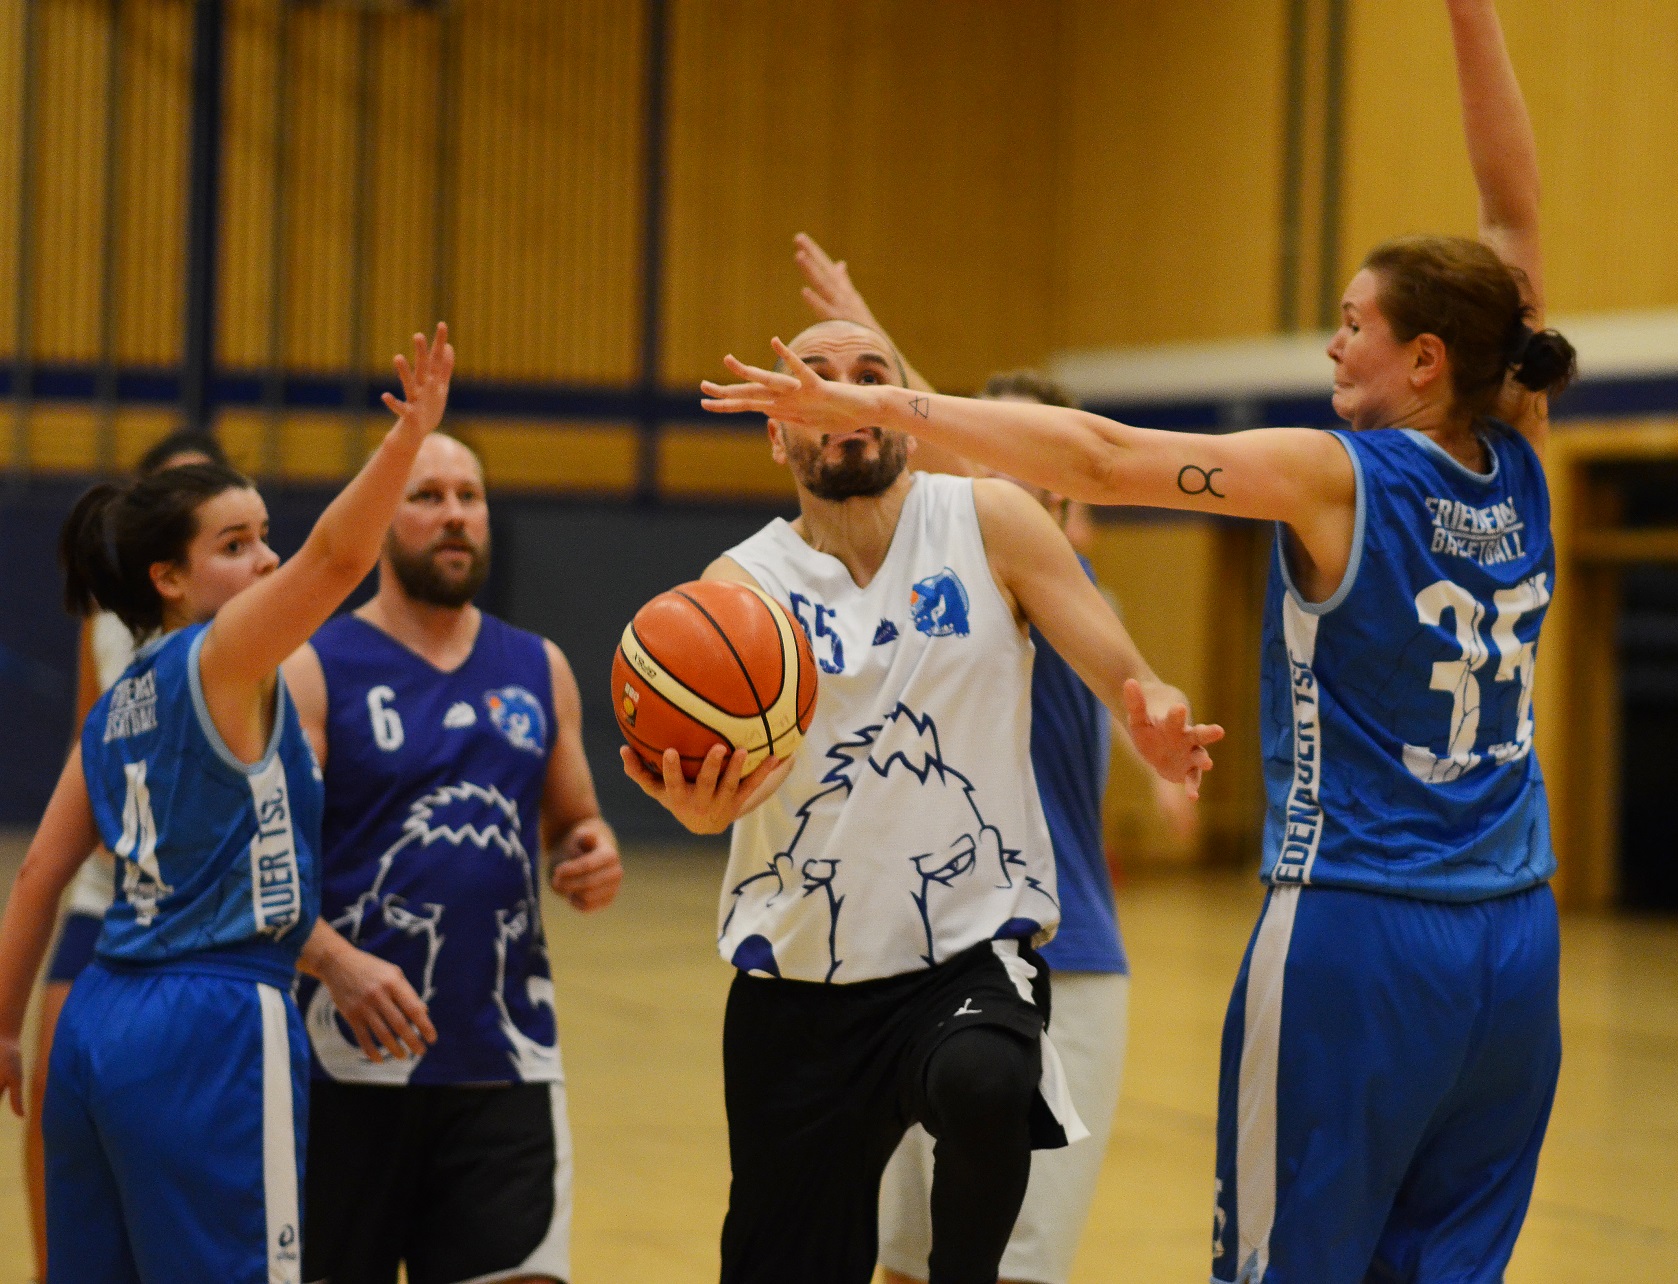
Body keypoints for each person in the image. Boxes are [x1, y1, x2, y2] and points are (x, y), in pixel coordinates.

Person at [697, 2, 1578, 1279]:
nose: (1332, 341)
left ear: (1425, 358)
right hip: (1517, 933)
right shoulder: (1521, 450)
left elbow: (1100, 459)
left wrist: (883, 398)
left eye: (1353, 321)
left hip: (1362, 923)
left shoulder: (1338, 476)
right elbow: (1512, 210)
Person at [622, 317, 1221, 1284]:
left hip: (965, 956)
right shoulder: (740, 586)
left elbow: (1123, 672)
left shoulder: (989, 521)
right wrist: (701, 809)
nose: (843, 397)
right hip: (801, 978)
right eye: (816, 381)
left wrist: (1148, 706)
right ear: (777, 432)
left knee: (988, 1082)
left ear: (902, 411)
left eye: (869, 377)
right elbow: (721, 795)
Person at [0, 326, 455, 1283]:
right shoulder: (223, 658)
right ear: (168, 579)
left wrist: (6, 1029)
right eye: (235, 545)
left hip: (97, 1018)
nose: (266, 561)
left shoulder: (119, 701)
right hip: (211, 1018)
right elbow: (336, 560)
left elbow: (40, 873)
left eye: (264, 536)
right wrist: (406, 440)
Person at [788, 235, 1173, 1284]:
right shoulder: (921, 579)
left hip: (1063, 961)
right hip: (919, 961)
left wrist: (876, 364)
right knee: (903, 1259)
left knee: (1012, 1266)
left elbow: (960, 465)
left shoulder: (1056, 580)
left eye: (1018, 457)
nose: (987, 471)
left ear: (1065, 495)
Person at [282, 431, 623, 1284]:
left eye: (469, 497)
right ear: (378, 519)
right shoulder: (315, 669)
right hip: (346, 1063)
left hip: (502, 1061)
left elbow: (574, 821)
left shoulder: (538, 667)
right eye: (427, 496)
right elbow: (264, 866)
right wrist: (335, 963)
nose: (455, 516)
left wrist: (590, 852)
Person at [22, 427, 230, 1280]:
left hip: (204, 905)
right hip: (107, 888)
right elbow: (88, 729)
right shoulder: (106, 619)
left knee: (184, 1115)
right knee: (51, 1086)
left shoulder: (243, 633)